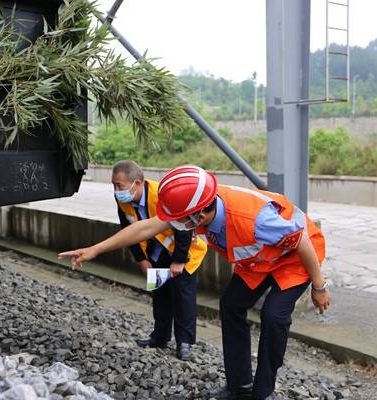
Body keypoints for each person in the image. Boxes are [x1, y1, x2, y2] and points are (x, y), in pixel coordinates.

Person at [59, 165, 330, 400]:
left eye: (181, 221)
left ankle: (262, 391)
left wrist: (319, 287)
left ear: (199, 216)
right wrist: (95, 249)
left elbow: (302, 241)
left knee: (273, 316)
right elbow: (145, 227)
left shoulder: (255, 219)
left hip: (295, 258)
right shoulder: (196, 203)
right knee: (231, 305)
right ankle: (240, 386)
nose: (176, 224)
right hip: (259, 260)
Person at [111, 160, 207, 361]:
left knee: (183, 297)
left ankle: (184, 343)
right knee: (160, 294)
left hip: (184, 250)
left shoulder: (163, 195)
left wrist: (179, 260)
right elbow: (128, 232)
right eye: (114, 185)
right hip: (156, 252)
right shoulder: (122, 200)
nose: (116, 189)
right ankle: (160, 337)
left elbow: (184, 226)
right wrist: (141, 260)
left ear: (136, 183)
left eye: (119, 185)